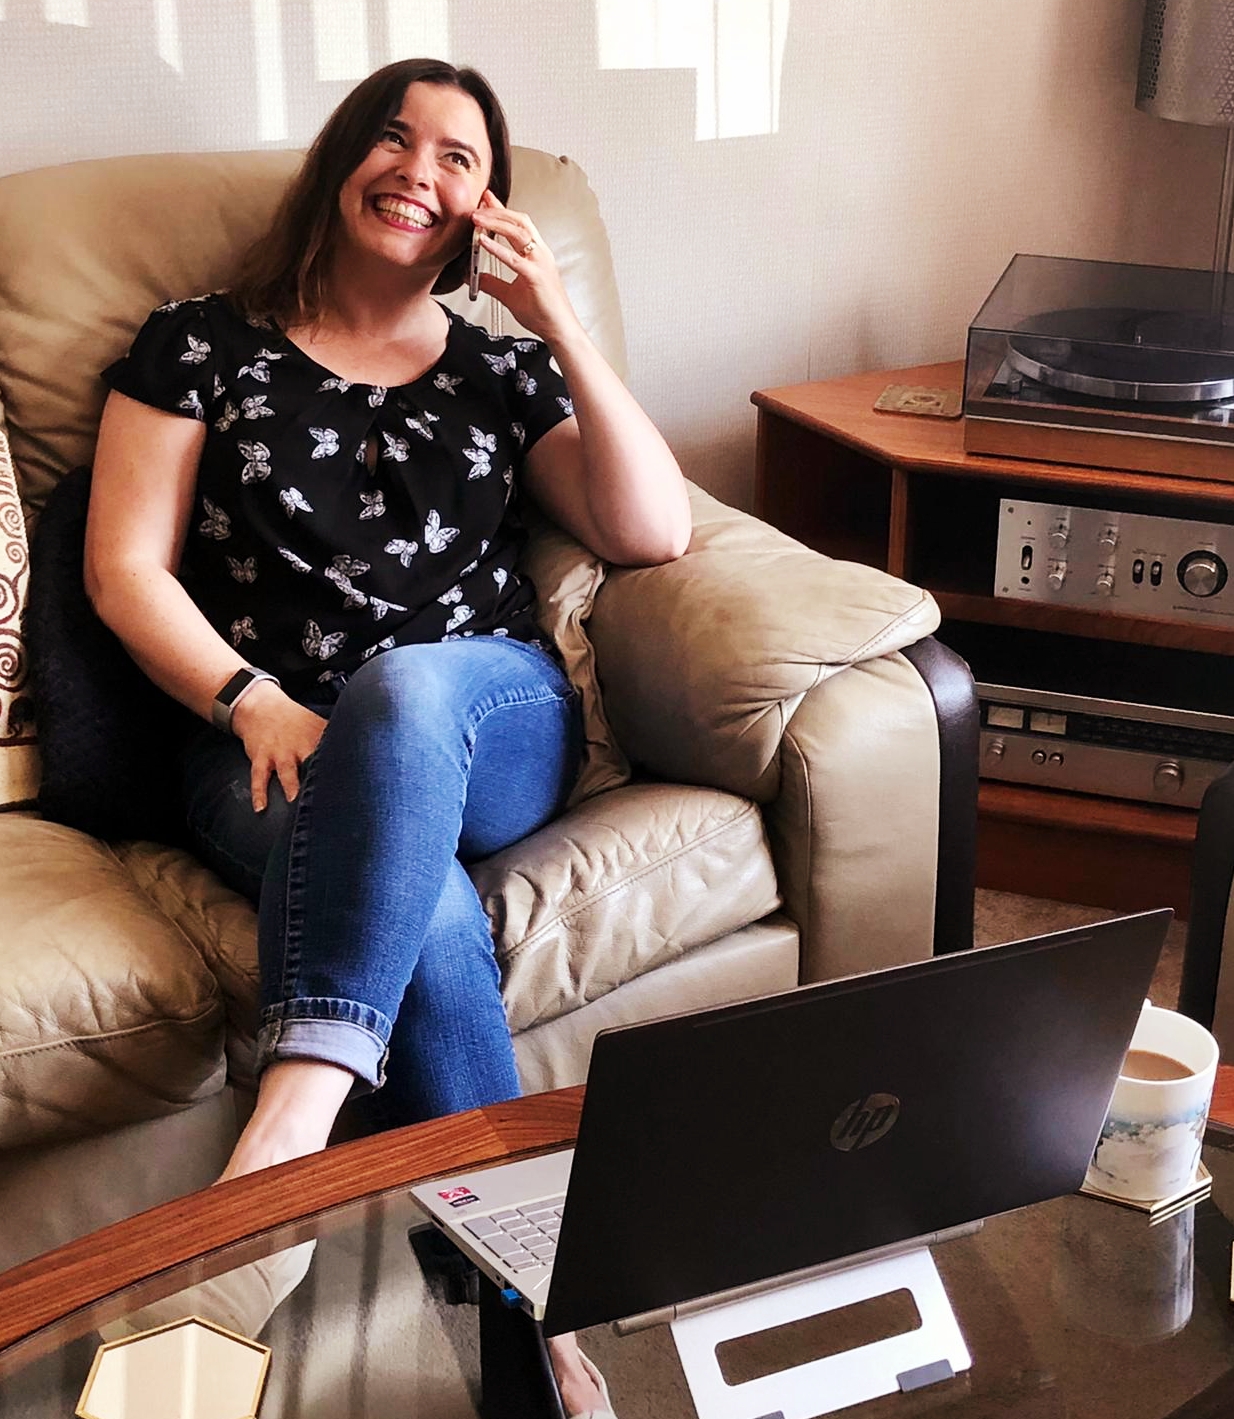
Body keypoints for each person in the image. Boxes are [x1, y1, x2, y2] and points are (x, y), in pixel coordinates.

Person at [84, 56, 691, 1417]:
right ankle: (531, 1344)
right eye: (392, 136)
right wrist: (248, 699)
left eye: (459, 155)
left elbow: (651, 530)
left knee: (408, 692)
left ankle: (287, 1138)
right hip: (259, 744)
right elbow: (127, 570)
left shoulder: (496, 366)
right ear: (340, 160)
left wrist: (561, 323)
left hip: (482, 719)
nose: (420, 166)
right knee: (421, 921)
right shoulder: (200, 343)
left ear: (486, 206)